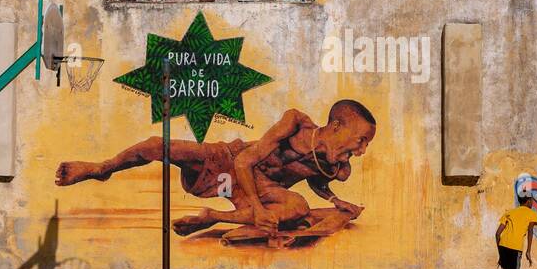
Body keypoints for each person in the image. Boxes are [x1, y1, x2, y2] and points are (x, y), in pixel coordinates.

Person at [55, 100, 375, 241]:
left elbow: (314, 180)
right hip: (229, 161)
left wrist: (334, 199)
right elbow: (243, 162)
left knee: (299, 205)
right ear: (336, 126)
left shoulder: (336, 163)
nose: (360, 150)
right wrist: (259, 209)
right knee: (158, 143)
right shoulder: (295, 123)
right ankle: (103, 168)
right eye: (360, 140)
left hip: (260, 189)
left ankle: (211, 218)